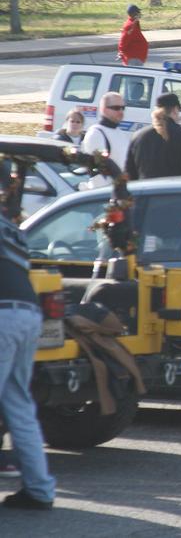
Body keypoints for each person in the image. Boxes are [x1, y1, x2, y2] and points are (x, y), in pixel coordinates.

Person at [0, 192, 56, 510]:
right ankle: (39, 489)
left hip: (2, 314)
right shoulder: (12, 229)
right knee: (19, 404)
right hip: (27, 312)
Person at [126, 93, 181, 181]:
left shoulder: (137, 136)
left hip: (145, 192)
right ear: (175, 110)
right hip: (173, 192)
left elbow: (129, 174)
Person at [81, 92, 131, 189]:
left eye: (123, 108)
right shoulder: (96, 133)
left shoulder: (120, 133)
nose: (121, 111)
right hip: (103, 194)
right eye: (116, 108)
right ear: (103, 109)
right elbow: (100, 168)